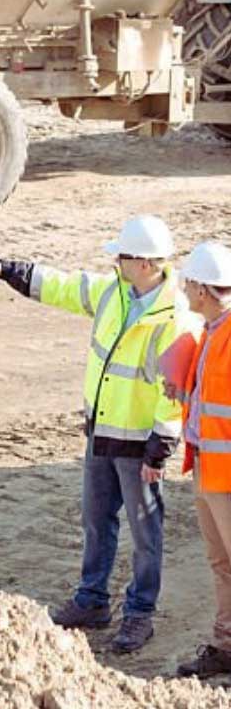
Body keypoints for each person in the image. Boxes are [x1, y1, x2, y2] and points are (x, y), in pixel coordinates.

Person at [0, 214, 198, 654]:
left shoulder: (176, 316)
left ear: (147, 263)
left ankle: (139, 614)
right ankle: (92, 601)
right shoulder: (115, 290)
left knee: (145, 532)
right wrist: (8, 271)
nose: (115, 261)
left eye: (123, 256)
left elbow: (174, 390)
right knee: (97, 522)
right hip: (101, 434)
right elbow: (64, 286)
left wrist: (160, 446)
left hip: (139, 444)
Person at [167, 242, 231, 679]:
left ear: (205, 290)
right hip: (207, 467)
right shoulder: (209, 333)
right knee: (219, 562)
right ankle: (226, 645)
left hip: (227, 476)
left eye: (189, 283)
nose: (184, 290)